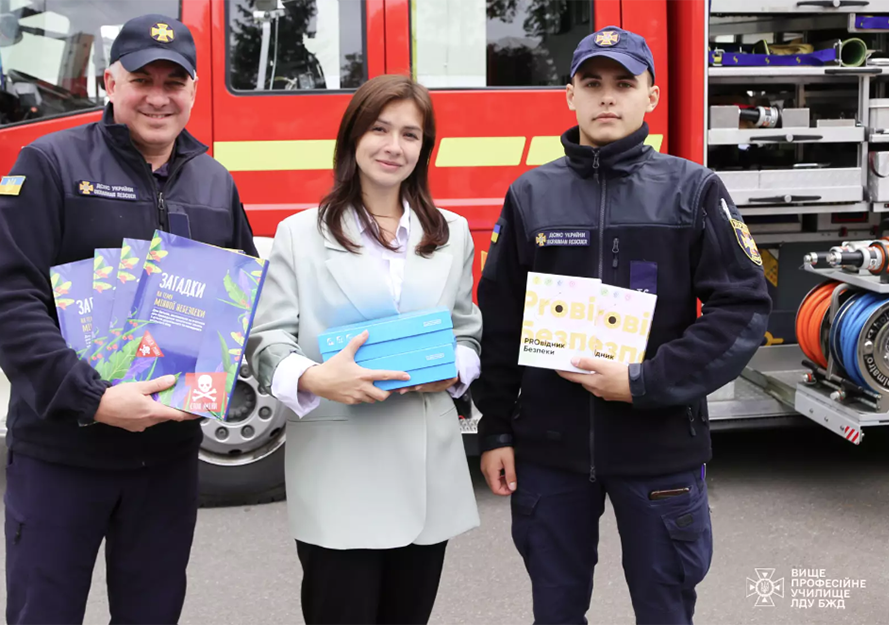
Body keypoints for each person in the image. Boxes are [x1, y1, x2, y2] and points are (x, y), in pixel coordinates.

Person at [472, 26, 771, 625]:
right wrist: (496, 428)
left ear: (650, 97)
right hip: (550, 452)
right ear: (571, 96)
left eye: (624, 83)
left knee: (665, 611)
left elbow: (742, 308)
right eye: (592, 83)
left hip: (659, 449)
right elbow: (500, 318)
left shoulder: (694, 190)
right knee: (556, 612)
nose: (607, 96)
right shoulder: (530, 195)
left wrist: (644, 382)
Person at [0, 14, 258, 625]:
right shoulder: (49, 164)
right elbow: (10, 302)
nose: (158, 97)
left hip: (166, 461)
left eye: (174, 81)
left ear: (193, 91)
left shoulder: (215, 181)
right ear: (110, 83)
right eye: (142, 79)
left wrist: (213, 381)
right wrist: (94, 400)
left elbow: (235, 302)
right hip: (62, 454)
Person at [246, 73, 481, 625]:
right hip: (340, 472)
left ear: (424, 148)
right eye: (379, 129)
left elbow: (468, 331)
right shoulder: (299, 235)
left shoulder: (451, 233)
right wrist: (315, 378)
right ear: (353, 136)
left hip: (427, 471)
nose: (393, 146)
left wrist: (452, 369)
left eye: (410, 134)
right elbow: (267, 339)